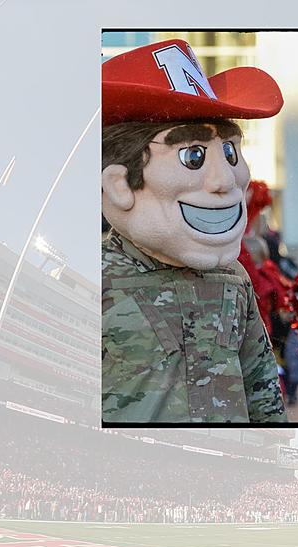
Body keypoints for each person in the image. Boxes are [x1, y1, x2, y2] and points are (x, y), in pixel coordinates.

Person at [101, 39, 286, 422]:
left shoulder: (232, 279)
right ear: (119, 184)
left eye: (230, 153)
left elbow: (260, 383)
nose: (224, 181)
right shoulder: (93, 281)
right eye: (194, 156)